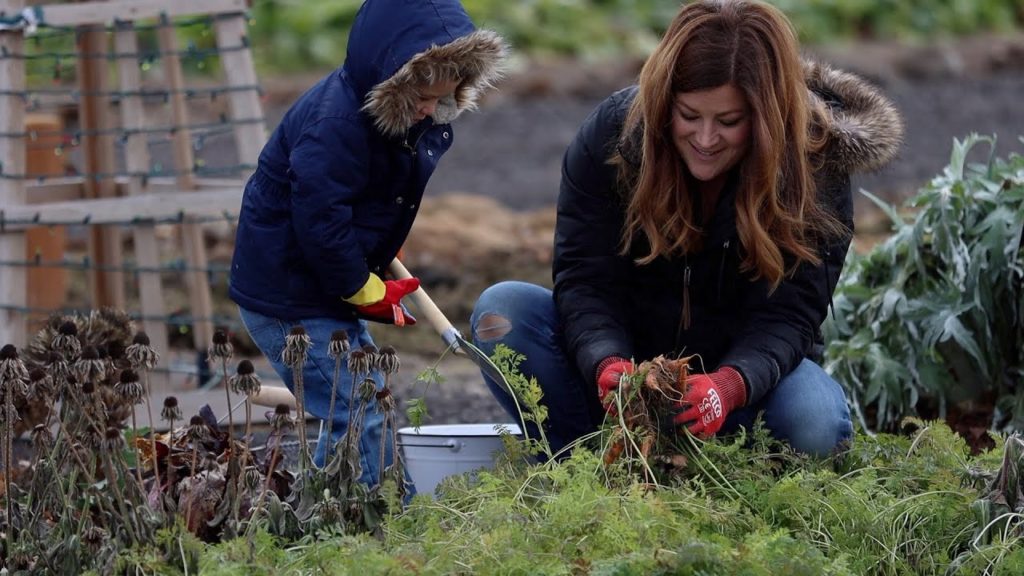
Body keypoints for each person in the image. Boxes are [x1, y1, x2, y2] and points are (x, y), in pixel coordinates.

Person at [470, 0, 903, 457]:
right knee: (504, 310)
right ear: (663, 105)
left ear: (767, 117)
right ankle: (580, 464)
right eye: (689, 116)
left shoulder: (813, 161)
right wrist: (607, 363)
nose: (706, 139)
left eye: (730, 121)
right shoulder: (614, 137)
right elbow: (584, 279)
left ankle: (736, 481)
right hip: (622, 388)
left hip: (741, 389)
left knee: (814, 420)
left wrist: (729, 385)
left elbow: (792, 316)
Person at [230, 0, 506, 484]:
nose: (431, 109)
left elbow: (370, 198)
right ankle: (366, 521)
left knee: (364, 395)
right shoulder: (335, 126)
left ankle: (333, 508)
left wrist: (371, 252)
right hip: (290, 295)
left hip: (321, 286)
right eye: (423, 95)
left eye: (445, 96)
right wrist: (362, 286)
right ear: (391, 78)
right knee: (358, 408)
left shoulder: (405, 123)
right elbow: (320, 221)